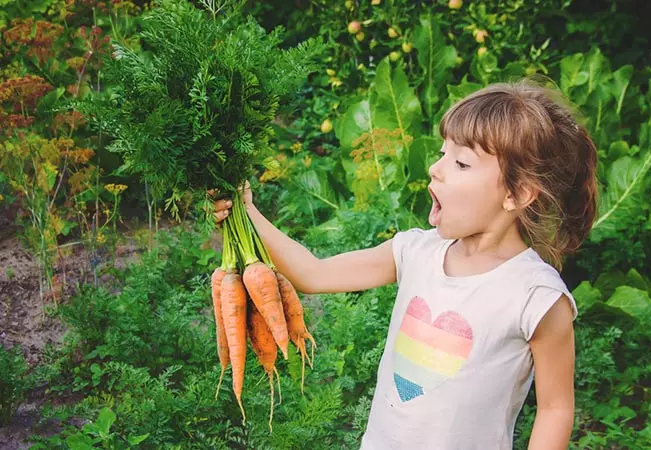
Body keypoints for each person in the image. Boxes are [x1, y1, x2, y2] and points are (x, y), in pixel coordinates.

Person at [212, 80, 598, 450]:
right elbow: (314, 273)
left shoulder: (535, 296)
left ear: (516, 194)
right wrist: (247, 211)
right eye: (443, 152)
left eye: (461, 163)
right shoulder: (417, 252)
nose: (436, 168)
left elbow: (555, 409)